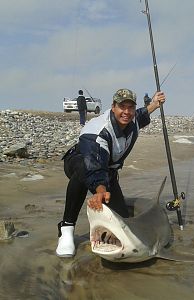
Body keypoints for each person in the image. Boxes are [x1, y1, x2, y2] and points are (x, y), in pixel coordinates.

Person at [56, 88, 166, 257]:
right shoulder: (97, 131)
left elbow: (142, 115)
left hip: (108, 171)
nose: (127, 112)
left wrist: (154, 104)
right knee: (83, 172)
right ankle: (66, 229)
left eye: (131, 107)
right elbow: (93, 165)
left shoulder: (133, 119)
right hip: (81, 160)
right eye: (122, 107)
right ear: (113, 106)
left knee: (122, 219)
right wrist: (100, 190)